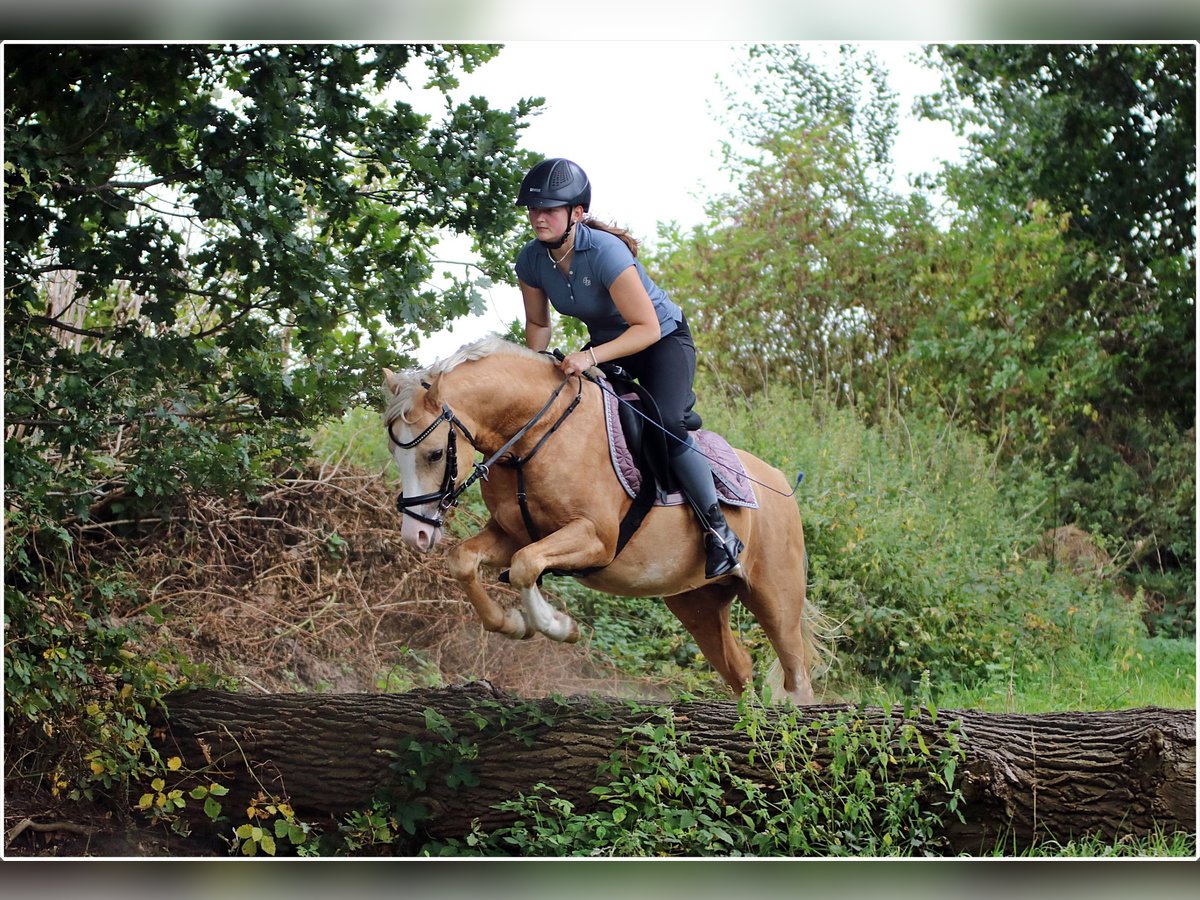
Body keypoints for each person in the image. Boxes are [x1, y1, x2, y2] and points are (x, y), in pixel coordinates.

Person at [514, 157, 743, 579]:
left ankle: (719, 531)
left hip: (660, 340)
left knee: (667, 422)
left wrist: (589, 357)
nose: (538, 217)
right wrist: (531, 368)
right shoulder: (530, 260)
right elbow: (539, 324)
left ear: (576, 213)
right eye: (533, 209)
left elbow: (646, 327)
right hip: (609, 346)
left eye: (549, 209)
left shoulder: (605, 251)